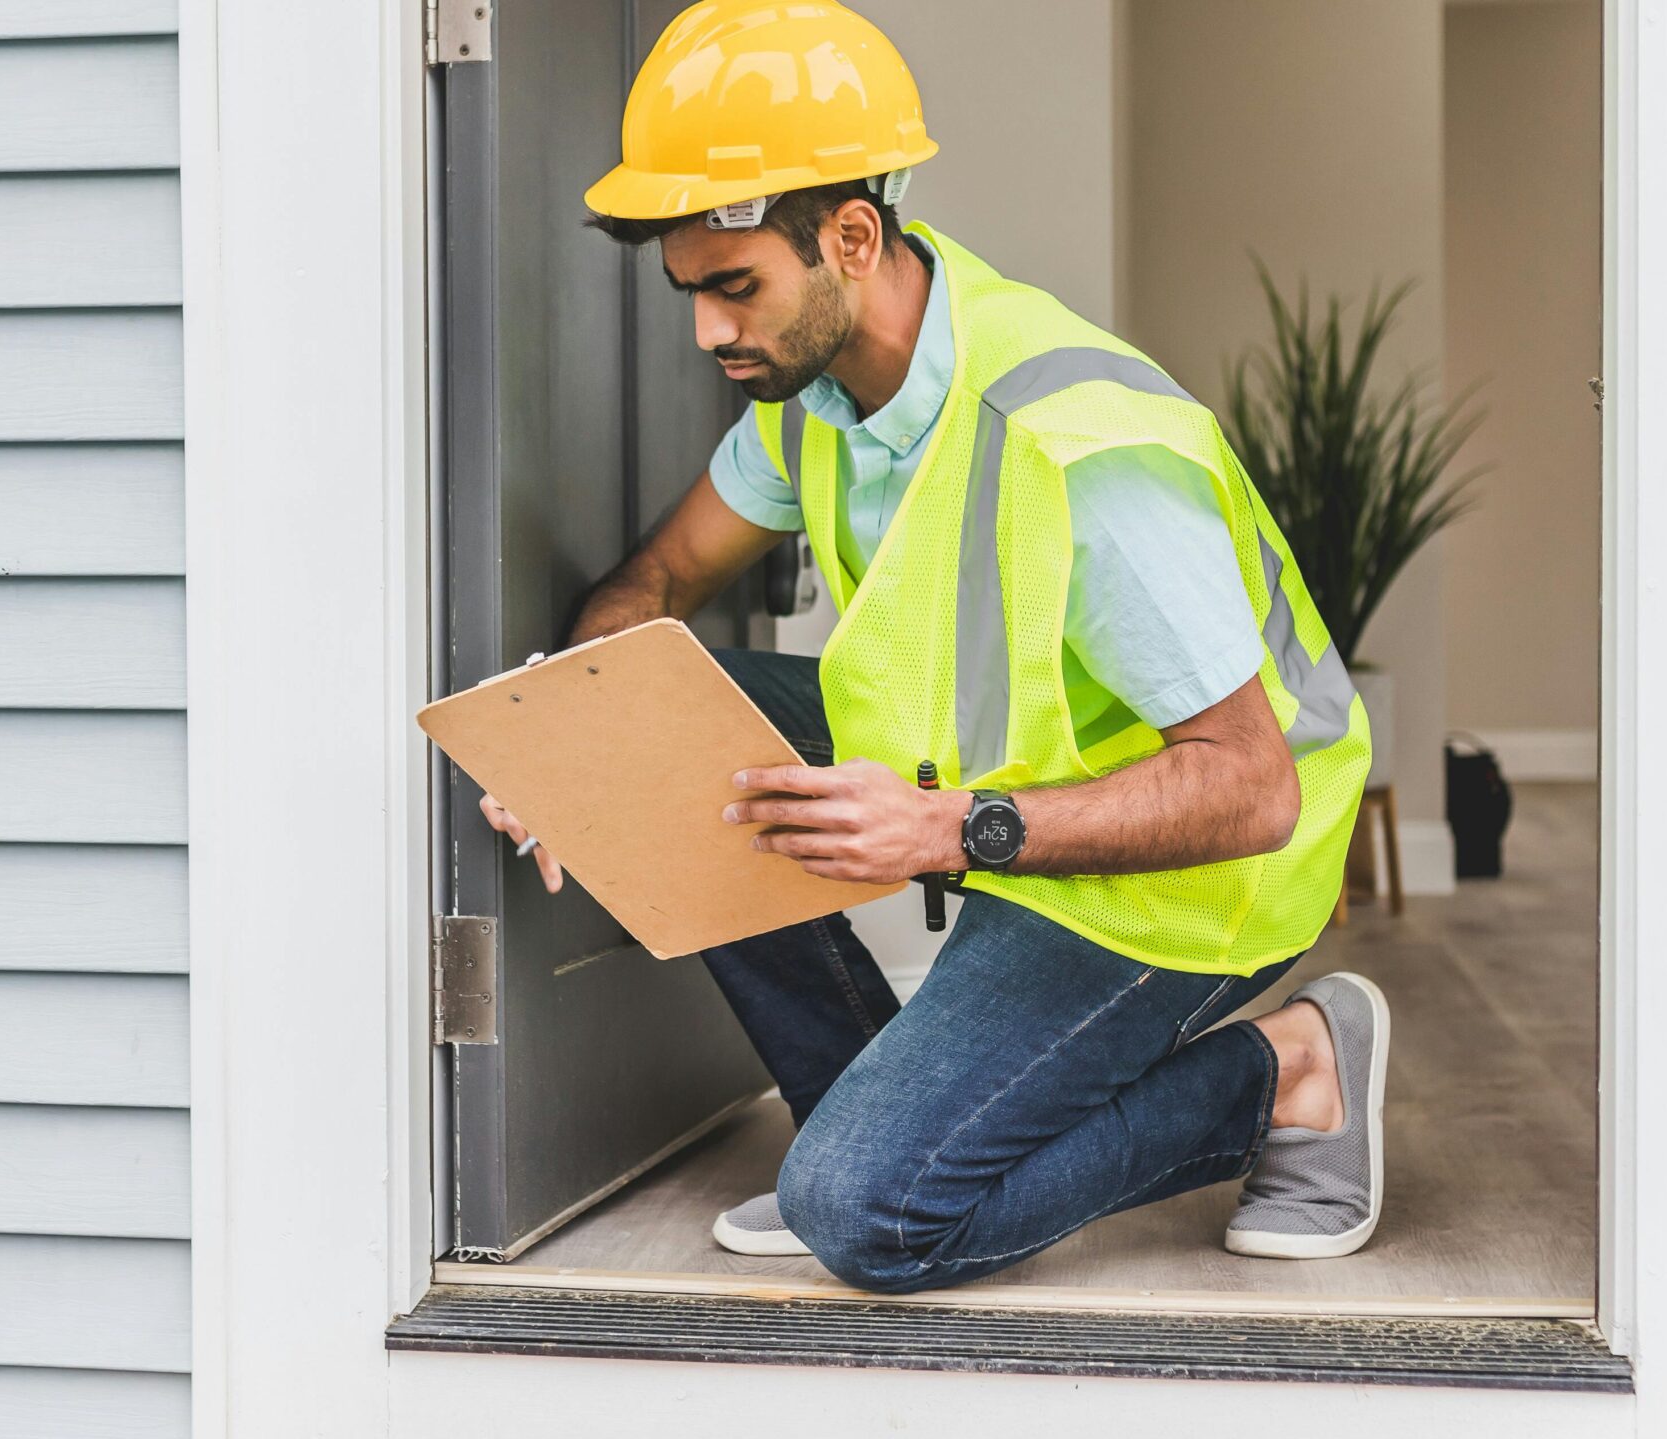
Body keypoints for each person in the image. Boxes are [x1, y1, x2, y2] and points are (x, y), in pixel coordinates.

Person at [479, 0, 1385, 1294]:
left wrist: (958, 832)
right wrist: (580, 744)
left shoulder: (1081, 446)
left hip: (1186, 881)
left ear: (851, 236)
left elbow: (1250, 788)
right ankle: (877, 1110)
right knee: (681, 706)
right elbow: (659, 579)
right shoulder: (821, 402)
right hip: (1002, 805)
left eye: (736, 289)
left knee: (872, 1216)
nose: (708, 335)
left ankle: (1295, 1068)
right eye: (690, 293)